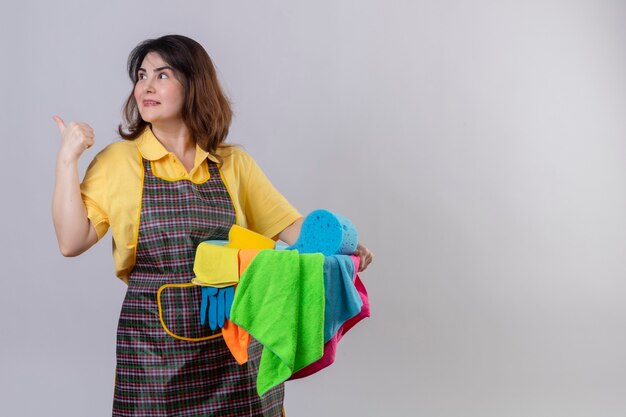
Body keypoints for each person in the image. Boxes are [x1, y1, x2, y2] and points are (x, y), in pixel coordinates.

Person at [52, 34, 373, 416]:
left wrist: (344, 245)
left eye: (162, 75)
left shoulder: (232, 163)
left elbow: (291, 228)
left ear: (194, 85)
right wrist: (67, 160)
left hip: (235, 340)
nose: (146, 86)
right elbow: (71, 241)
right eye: (141, 75)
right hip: (156, 351)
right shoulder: (119, 161)